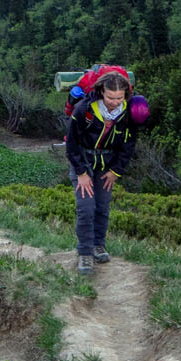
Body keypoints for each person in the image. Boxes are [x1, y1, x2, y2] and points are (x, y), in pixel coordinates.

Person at [65, 64, 146, 271]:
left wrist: (115, 171)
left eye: (120, 98)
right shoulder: (83, 109)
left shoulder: (128, 113)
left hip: (107, 165)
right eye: (111, 97)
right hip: (83, 161)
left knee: (102, 207)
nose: (114, 102)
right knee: (86, 208)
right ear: (101, 91)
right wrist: (81, 173)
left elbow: (128, 145)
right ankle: (85, 253)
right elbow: (72, 144)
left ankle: (98, 245)